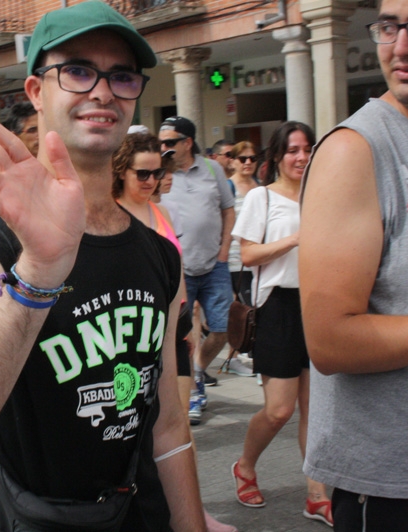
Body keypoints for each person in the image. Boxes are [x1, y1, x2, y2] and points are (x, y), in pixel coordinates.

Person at [0, 3, 207, 531]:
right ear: (36, 91)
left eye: (121, 77)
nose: (101, 91)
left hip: (125, 512)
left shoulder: (158, 254)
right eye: (77, 70)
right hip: (11, 515)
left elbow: (167, 426)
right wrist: (39, 270)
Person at [299, 1, 408, 530]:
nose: (401, 45)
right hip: (401, 490)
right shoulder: (356, 149)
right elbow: (330, 341)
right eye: (389, 26)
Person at [113, 133, 236, 532]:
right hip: (134, 337)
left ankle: (194, 511)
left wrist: (189, 326)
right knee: (132, 432)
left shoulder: (162, 213)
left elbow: (177, 271)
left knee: (177, 424)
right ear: (121, 172)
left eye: (157, 172)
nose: (152, 181)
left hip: (175, 329)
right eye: (142, 173)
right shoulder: (113, 214)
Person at [230, 121, 331, 526]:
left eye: (307, 149)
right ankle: (245, 467)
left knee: (315, 410)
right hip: (278, 307)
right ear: (277, 156)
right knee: (279, 410)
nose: (302, 157)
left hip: (319, 304)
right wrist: (294, 239)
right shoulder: (261, 198)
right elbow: (248, 255)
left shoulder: (323, 196)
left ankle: (316, 494)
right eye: (293, 150)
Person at [158, 116, 235, 408]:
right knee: (186, 335)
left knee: (222, 329)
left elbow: (228, 210)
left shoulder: (213, 169)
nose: (164, 147)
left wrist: (224, 250)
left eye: (170, 142)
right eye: (161, 142)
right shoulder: (160, 172)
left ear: (187, 142)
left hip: (215, 264)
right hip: (180, 269)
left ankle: (199, 371)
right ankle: (191, 389)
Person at [227, 141, 260, 314]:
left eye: (252, 158)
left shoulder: (262, 187)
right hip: (236, 261)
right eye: (242, 158)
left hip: (260, 260)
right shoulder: (228, 188)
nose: (248, 162)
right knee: (248, 310)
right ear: (232, 161)